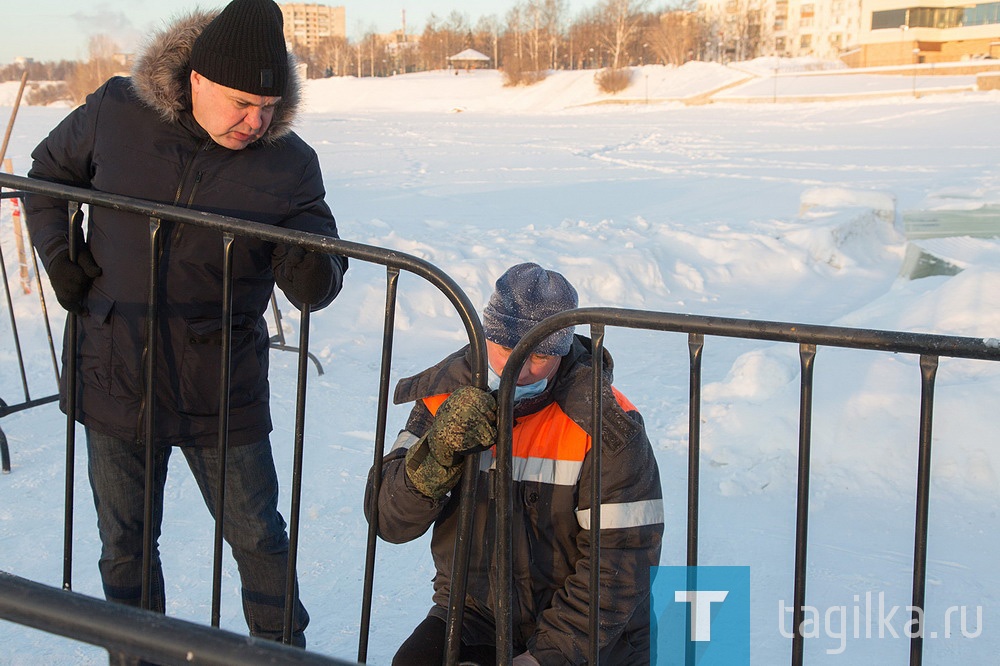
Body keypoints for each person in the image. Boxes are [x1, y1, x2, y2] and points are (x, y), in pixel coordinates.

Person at [25, 0, 347, 652]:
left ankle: (282, 658)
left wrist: (310, 266)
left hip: (219, 385)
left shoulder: (289, 163)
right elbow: (48, 173)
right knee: (125, 543)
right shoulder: (118, 113)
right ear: (195, 80)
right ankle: (136, 656)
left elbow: (324, 261)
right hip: (115, 361)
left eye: (268, 105)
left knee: (257, 535)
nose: (255, 122)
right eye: (239, 103)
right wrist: (60, 257)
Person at [366, 263, 664, 665]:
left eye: (539, 354)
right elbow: (387, 520)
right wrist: (436, 456)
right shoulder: (446, 395)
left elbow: (621, 565)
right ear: (487, 334)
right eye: (505, 346)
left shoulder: (606, 425)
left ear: (562, 349)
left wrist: (544, 657)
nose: (517, 368)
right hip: (476, 612)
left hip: (589, 637)